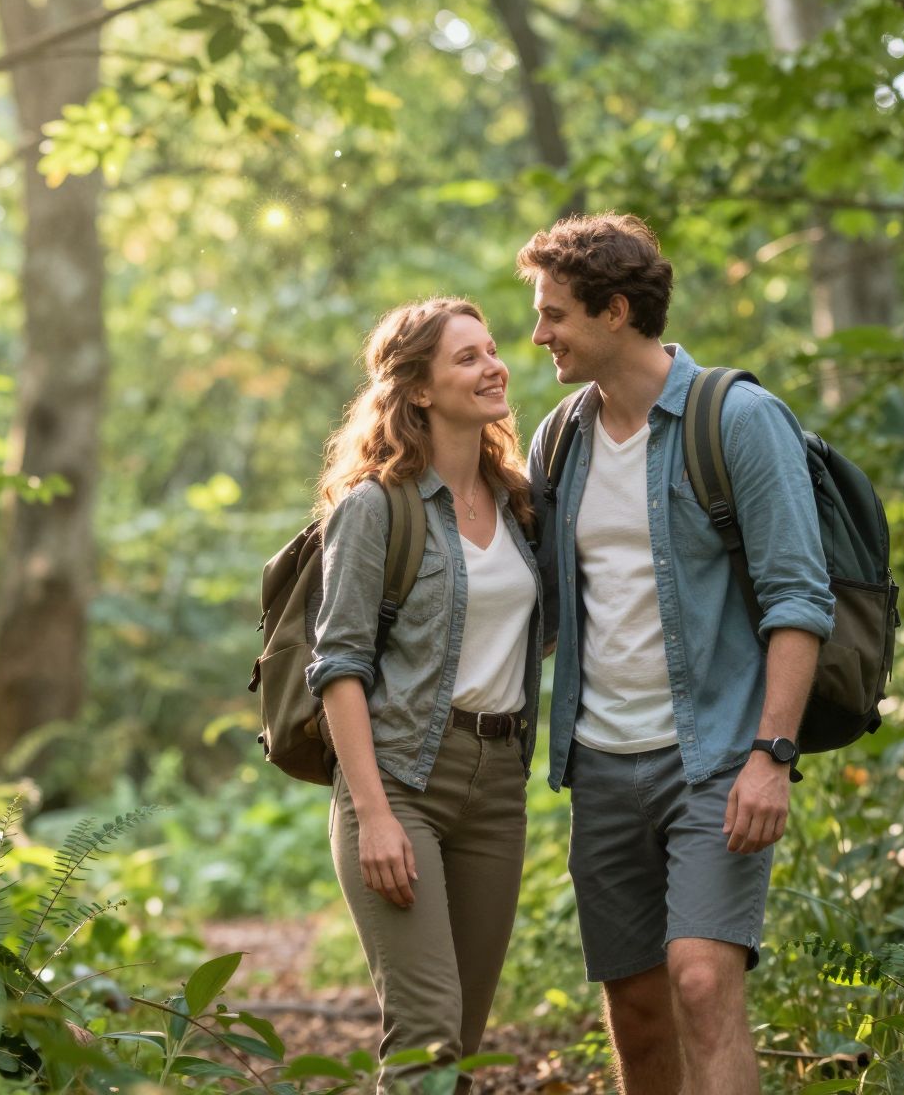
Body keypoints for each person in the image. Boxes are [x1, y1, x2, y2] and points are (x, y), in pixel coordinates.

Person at [520, 214, 834, 1094]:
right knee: (637, 1004)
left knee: (701, 981)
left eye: (554, 315)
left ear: (614, 312)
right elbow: (535, 602)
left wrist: (771, 756)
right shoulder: (562, 437)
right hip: (602, 764)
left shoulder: (737, 418)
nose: (539, 335)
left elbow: (799, 600)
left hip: (715, 758)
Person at [305, 296, 545, 1086]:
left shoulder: (521, 504)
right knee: (426, 1039)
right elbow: (338, 666)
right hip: (402, 780)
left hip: (499, 787)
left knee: (461, 1043)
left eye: (494, 349)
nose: (494, 365)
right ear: (417, 390)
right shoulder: (375, 508)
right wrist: (372, 814)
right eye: (467, 358)